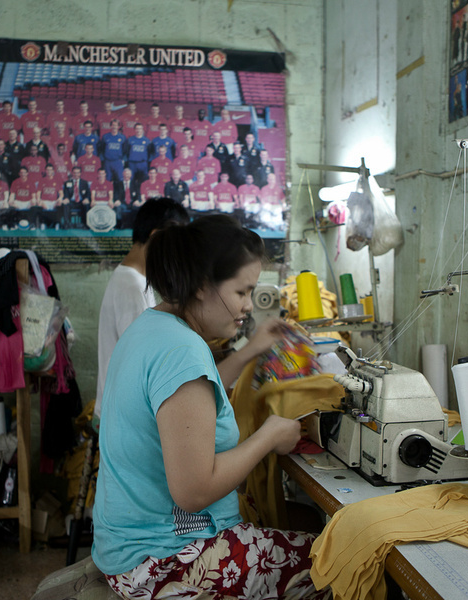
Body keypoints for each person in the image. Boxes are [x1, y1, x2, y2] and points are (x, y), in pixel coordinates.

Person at [93, 214, 328, 600]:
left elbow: (187, 393)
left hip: (129, 544)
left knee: (300, 521)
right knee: (341, 561)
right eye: (241, 292)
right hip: (164, 562)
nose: (249, 306)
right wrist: (268, 435)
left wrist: (251, 350)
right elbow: (194, 491)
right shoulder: (182, 351)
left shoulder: (154, 328)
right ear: (203, 286)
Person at [92, 197, 190, 425]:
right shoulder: (131, 286)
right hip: (120, 415)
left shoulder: (137, 280)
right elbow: (142, 360)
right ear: (156, 237)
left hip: (120, 409)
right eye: (176, 243)